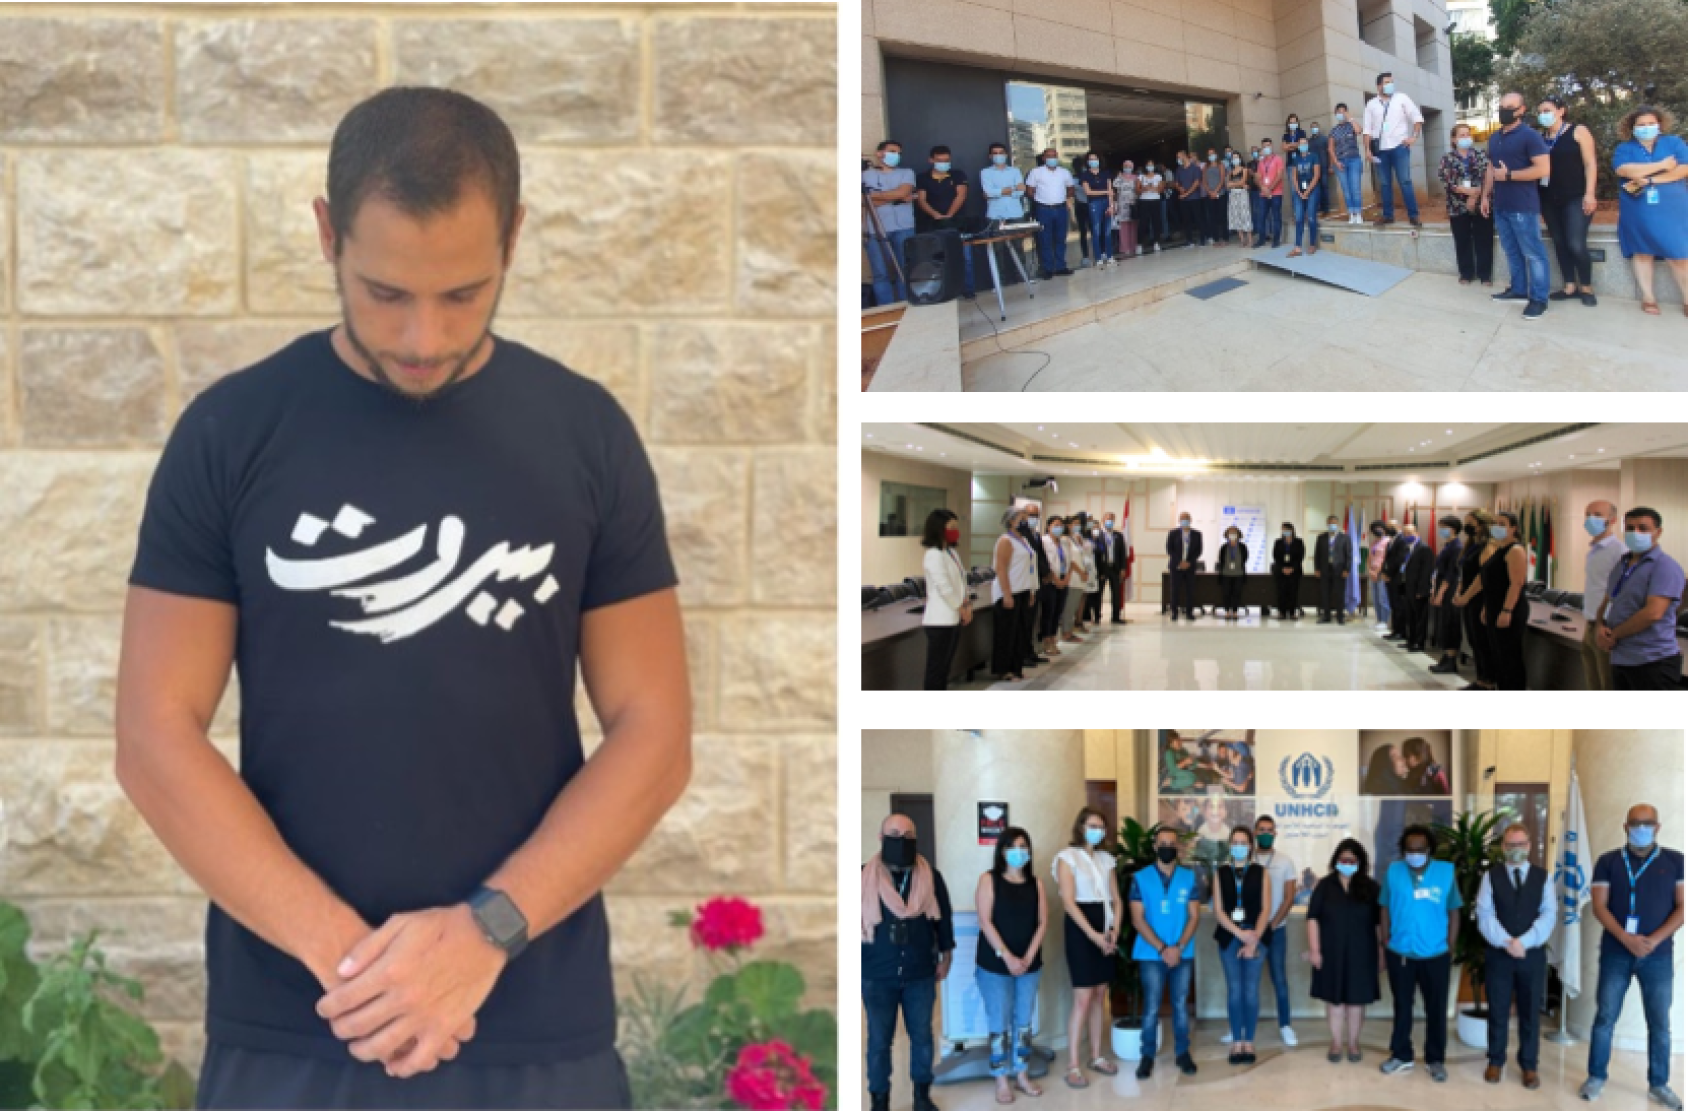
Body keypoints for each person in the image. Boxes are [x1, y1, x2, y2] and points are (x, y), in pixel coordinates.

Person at [123, 86, 686, 1110]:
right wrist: (364, 970)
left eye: (463, 293)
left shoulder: (585, 434)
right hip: (293, 1027)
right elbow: (154, 734)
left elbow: (654, 729)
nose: (423, 336)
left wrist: (484, 934)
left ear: (513, 239)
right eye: (385, 292)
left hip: (534, 1027)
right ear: (327, 233)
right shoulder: (232, 432)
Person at [1581, 804, 1687, 1108]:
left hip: (1658, 955)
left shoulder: (1677, 862)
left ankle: (1659, 1084)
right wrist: (1626, 938)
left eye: (1647, 823)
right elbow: (1600, 906)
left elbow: (1683, 906)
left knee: (1659, 1023)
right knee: (1605, 1018)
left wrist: (1652, 940)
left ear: (1657, 827)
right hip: (1616, 953)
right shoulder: (1608, 861)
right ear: (1625, 827)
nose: (1641, 828)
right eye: (1635, 823)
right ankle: (1596, 1076)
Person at [862, 814, 955, 1111]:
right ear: (880, 837)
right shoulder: (862, 877)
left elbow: (944, 919)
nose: (901, 840)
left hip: (920, 973)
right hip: (877, 974)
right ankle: (879, 1099)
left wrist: (946, 954)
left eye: (907, 834)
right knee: (878, 1043)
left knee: (922, 1039)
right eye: (894, 833)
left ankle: (921, 1097)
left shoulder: (931, 876)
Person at [1378, 826, 1462, 1083]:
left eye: (1420, 849)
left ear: (1429, 850)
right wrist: (1385, 937)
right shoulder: (1394, 871)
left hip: (1435, 953)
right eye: (1409, 849)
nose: (1414, 854)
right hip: (1400, 951)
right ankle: (1401, 1055)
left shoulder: (1445, 872)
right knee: (1402, 1006)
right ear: (1403, 850)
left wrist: (1450, 944)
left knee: (1436, 1009)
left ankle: (1435, 1059)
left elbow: (1455, 911)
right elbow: (1384, 906)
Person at [1476, 822, 1555, 1090]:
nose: (1516, 850)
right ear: (1503, 847)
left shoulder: (1543, 877)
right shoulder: (1491, 877)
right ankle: (1495, 1061)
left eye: (1521, 844)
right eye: (1511, 845)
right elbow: (1484, 915)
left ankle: (1529, 1066)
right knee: (1497, 1009)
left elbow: (1548, 914)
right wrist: (1506, 942)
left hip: (1531, 955)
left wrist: (1525, 942)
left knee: (1530, 1012)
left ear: (1530, 846)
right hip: (1499, 955)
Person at [976, 827, 1047, 1105]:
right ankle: (1001, 1078)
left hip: (1029, 964)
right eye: (1014, 846)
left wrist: (1028, 956)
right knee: (999, 1022)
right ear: (1002, 851)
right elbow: (985, 921)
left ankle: (1022, 1073)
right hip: (994, 966)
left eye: (1024, 846)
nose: (1020, 851)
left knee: (1023, 1022)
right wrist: (1007, 956)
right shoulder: (989, 880)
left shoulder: (1036, 883)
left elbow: (1042, 922)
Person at [1055, 810, 1123, 1091]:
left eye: (1101, 826)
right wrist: (1094, 935)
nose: (1097, 830)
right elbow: (1069, 903)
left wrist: (1114, 930)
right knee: (1082, 998)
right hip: (1082, 930)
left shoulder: (1106, 860)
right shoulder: (1066, 858)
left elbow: (1116, 899)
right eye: (1092, 825)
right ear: (1080, 826)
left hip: (1106, 927)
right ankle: (1072, 1065)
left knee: (1099, 995)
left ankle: (1095, 1056)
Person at [1130, 827, 1201, 1081]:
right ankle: (1146, 1056)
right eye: (1163, 843)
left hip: (1182, 953)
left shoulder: (1189, 877)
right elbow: (1137, 919)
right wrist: (1162, 948)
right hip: (1151, 954)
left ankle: (1183, 1053)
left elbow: (1194, 916)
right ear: (1155, 846)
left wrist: (1178, 947)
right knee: (1151, 1006)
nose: (1167, 847)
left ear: (1178, 848)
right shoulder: (1140, 878)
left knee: (1180, 1005)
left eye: (1172, 843)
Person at [1307, 839, 1383, 1064]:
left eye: (1352, 859)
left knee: (1356, 1002)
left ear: (1360, 862)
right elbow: (1313, 919)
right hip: (1330, 952)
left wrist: (1381, 953)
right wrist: (1314, 950)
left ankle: (1353, 1043)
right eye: (1343, 859)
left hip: (1363, 953)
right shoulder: (1324, 886)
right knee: (1334, 1000)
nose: (1347, 863)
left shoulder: (1370, 887)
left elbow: (1379, 924)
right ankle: (1336, 1042)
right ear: (1335, 860)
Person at [1482, 91, 1554, 321]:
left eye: (1510, 107)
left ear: (1521, 110)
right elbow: (1492, 170)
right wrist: (1485, 196)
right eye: (1502, 106)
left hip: (1523, 206)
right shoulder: (1494, 138)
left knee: (1533, 253)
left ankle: (1539, 299)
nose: (1504, 111)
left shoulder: (1530, 136)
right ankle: (1519, 289)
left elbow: (1543, 169)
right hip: (1501, 205)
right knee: (1512, 252)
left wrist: (1510, 175)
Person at [1596, 508, 1686, 690]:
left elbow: (1653, 613)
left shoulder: (1665, 566)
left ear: (1658, 532)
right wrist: (1599, 625)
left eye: (1643, 528)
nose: (1635, 533)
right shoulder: (1621, 564)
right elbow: (1608, 601)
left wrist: (1614, 635)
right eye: (1630, 528)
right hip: (1621, 657)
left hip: (1652, 661)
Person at [1612, 105, 1688, 317]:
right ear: (1632, 128)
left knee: (1679, 253)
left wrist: (1650, 178)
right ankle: (1648, 297)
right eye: (1641, 125)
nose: (1646, 128)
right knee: (1642, 251)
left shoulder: (1674, 143)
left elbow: (1683, 169)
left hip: (1672, 207)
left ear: (1659, 125)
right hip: (1638, 207)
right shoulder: (1625, 148)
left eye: (1650, 124)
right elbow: (1624, 170)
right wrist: (1663, 164)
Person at [1213, 827, 1270, 1065]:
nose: (1239, 846)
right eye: (1235, 842)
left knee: (1250, 991)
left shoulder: (1261, 872)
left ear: (1250, 846)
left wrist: (1253, 938)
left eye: (1243, 842)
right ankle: (1237, 1040)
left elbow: (1266, 908)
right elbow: (1218, 910)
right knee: (1235, 990)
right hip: (1229, 936)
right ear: (1229, 845)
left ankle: (1249, 1041)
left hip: (1257, 935)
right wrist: (1240, 934)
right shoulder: (1221, 872)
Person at [1537, 98, 1600, 306]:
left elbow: (1590, 163)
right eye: (1540, 111)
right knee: (1560, 243)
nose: (1543, 114)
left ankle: (1586, 286)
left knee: (1575, 243)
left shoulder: (1578, 131)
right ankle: (1569, 285)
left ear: (1561, 111)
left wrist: (1589, 194)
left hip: (1575, 197)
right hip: (1548, 198)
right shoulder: (1541, 138)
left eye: (1547, 110)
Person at [1254, 815, 1300, 1048]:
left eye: (1269, 830)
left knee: (1279, 979)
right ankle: (1241, 1028)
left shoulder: (1285, 861)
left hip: (1276, 931)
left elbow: (1290, 897)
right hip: (1249, 933)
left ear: (1275, 833)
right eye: (1261, 829)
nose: (1265, 833)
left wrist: (1270, 926)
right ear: (1254, 832)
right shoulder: (1243, 858)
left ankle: (1285, 1025)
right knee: (1246, 982)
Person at [1362, 72, 1425, 228]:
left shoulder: (1402, 98)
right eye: (1387, 82)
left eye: (1392, 81)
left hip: (1399, 147)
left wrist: (1414, 136)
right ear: (1379, 86)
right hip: (1380, 150)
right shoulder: (1371, 104)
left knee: (1405, 181)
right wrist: (1367, 150)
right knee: (1384, 184)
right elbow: (1367, 130)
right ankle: (1388, 215)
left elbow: (1417, 118)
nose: (1390, 84)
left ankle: (1413, 215)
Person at [914, 145, 976, 300]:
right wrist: (936, 215)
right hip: (932, 224)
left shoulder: (958, 175)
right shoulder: (922, 178)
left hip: (957, 222)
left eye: (946, 160)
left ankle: (968, 290)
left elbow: (961, 195)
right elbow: (921, 200)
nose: (944, 163)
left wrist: (949, 216)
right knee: (937, 260)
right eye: (939, 160)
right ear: (931, 160)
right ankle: (940, 293)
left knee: (965, 258)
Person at [920, 509, 970, 692]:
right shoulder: (933, 554)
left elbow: (961, 582)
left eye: (956, 527)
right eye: (951, 527)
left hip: (953, 617)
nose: (955, 531)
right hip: (940, 620)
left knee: (945, 668)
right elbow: (944, 587)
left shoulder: (950, 552)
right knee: (936, 668)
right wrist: (960, 607)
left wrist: (967, 604)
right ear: (938, 528)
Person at [863, 139, 917, 306]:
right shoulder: (865, 174)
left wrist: (874, 196)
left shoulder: (907, 173)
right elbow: (864, 200)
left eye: (899, 153)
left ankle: (905, 305)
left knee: (905, 270)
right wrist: (898, 198)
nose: (896, 155)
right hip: (875, 230)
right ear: (880, 154)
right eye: (892, 151)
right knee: (880, 273)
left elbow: (904, 191)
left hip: (904, 228)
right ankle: (886, 309)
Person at [1482, 510, 1530, 691]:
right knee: (1499, 655)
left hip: (1509, 609)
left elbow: (1516, 583)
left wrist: (1507, 610)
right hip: (1495, 606)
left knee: (1509, 656)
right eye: (1495, 523)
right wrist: (1487, 608)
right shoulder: (1499, 549)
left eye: (1502, 524)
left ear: (1514, 528)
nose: (1497, 527)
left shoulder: (1515, 550)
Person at [1441, 124, 1495, 286]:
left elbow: (1489, 175)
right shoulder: (1447, 158)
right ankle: (1466, 273)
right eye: (1461, 135)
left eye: (1467, 135)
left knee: (1484, 239)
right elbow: (1446, 181)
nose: (1466, 138)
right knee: (1462, 240)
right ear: (1454, 139)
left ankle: (1485, 274)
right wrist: (1468, 193)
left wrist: (1478, 194)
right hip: (1457, 206)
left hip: (1482, 203)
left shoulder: (1481, 154)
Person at [1453, 510, 1501, 691]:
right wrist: (1460, 590)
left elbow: (1482, 577)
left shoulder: (1489, 546)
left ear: (1482, 524)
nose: (1467, 527)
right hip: (1468, 599)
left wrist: (1466, 596)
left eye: (1470, 523)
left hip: (1479, 598)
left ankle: (1488, 681)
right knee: (1474, 640)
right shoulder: (1472, 545)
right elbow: (1465, 571)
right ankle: (1481, 679)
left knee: (1482, 640)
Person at [990, 506, 1037, 683]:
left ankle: (1016, 668)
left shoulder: (1024, 540)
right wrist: (1007, 594)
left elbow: (1029, 567)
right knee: (1006, 633)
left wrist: (1031, 590)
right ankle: (1003, 669)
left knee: (1020, 632)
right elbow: (1001, 568)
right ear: (1011, 521)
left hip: (1023, 590)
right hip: (1009, 591)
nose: (1025, 520)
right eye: (1022, 517)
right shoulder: (1005, 540)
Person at [1581, 500, 1624, 692]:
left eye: (1597, 515)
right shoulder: (1594, 551)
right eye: (1588, 514)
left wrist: (1605, 625)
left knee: (1608, 683)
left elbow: (1621, 593)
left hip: (1606, 627)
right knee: (1593, 682)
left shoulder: (1619, 552)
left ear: (1612, 520)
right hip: (1590, 624)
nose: (1591, 519)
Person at [980, 142, 1031, 283]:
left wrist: (1000, 191)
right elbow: (988, 192)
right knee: (997, 250)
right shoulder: (985, 172)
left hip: (1015, 213)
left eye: (1001, 152)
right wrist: (1012, 188)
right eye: (995, 153)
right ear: (990, 156)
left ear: (1006, 154)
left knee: (1019, 247)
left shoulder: (1015, 171)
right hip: (995, 215)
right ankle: (999, 282)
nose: (998, 155)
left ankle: (1022, 277)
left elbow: (1021, 191)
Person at [1025, 148, 1076, 279]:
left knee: (1060, 239)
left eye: (1054, 156)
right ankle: (1047, 269)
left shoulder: (1064, 172)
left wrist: (1065, 198)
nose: (1052, 158)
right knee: (1044, 240)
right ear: (1043, 158)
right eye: (1049, 156)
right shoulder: (1036, 172)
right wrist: (1040, 200)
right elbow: (1029, 190)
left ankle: (1060, 267)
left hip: (1060, 209)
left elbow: (1071, 189)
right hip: (1043, 209)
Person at [1428, 516, 1465, 675]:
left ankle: (1451, 660)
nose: (1441, 530)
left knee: (1451, 623)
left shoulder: (1457, 547)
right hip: (1442, 586)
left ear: (1453, 528)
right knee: (1443, 623)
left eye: (1444, 527)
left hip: (1449, 589)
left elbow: (1452, 573)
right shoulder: (1448, 545)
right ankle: (1446, 656)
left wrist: (1441, 592)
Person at [1020, 510, 1051, 673]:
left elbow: (1040, 556)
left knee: (1033, 620)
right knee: (1026, 621)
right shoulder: (1021, 535)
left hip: (1037, 582)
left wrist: (1046, 572)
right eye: (1029, 515)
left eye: (1036, 515)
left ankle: (1031, 651)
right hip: (1027, 584)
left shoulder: (1036, 535)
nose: (1033, 519)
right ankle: (1024, 653)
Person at [1397, 524, 1433, 653]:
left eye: (1410, 533)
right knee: (1410, 616)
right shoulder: (1408, 549)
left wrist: (1422, 590)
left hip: (1418, 589)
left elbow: (1426, 571)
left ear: (1417, 533)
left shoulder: (1424, 548)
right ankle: (1411, 640)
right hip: (1408, 588)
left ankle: (1419, 642)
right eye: (1405, 533)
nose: (1407, 535)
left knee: (1419, 617)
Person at [1038, 516, 1070, 658]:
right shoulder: (1043, 541)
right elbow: (1046, 562)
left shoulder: (1063, 542)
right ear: (1048, 526)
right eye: (1055, 525)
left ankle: (1053, 638)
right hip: (1050, 581)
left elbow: (1068, 561)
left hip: (1063, 580)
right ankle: (1047, 640)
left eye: (1061, 525)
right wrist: (1055, 578)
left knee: (1058, 611)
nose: (1059, 528)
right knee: (1049, 612)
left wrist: (1066, 579)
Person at [1287, 133, 1322, 258]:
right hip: (1299, 191)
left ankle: (1312, 244)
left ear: (1308, 145)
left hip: (1312, 189)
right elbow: (1294, 177)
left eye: (1305, 143)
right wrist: (1299, 191)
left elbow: (1317, 175)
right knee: (1299, 218)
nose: (1303, 145)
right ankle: (1297, 247)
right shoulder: (1296, 159)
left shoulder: (1314, 156)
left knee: (1311, 217)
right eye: (1301, 144)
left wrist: (1307, 192)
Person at [1079, 151, 1115, 270]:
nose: (1093, 161)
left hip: (1106, 203)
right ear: (1087, 161)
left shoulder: (1106, 173)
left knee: (1108, 231)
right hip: (1094, 203)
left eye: (1095, 159)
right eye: (1091, 159)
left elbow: (1111, 191)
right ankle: (1098, 258)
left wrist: (1111, 205)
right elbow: (1088, 192)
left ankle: (1109, 256)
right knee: (1096, 231)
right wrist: (1105, 192)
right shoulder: (1085, 175)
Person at [1328, 103, 1365, 223]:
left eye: (1343, 111)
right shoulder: (1333, 130)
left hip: (1354, 160)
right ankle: (1351, 214)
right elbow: (1330, 149)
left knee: (1355, 188)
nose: (1341, 114)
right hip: (1340, 162)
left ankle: (1358, 213)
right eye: (1339, 111)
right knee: (1346, 189)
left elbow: (1359, 130)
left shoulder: (1351, 126)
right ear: (1335, 114)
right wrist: (1335, 162)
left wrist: (1351, 118)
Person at [1314, 515, 1352, 624]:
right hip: (1325, 569)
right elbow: (1317, 554)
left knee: (1340, 594)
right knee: (1325, 593)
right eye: (1330, 523)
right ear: (1327, 524)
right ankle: (1326, 616)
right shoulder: (1321, 537)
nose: (1332, 525)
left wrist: (1346, 569)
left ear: (1338, 525)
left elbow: (1348, 555)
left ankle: (1340, 616)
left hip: (1339, 570)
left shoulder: (1345, 538)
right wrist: (1317, 568)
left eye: (1334, 523)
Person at [1167, 512, 1202, 621]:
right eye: (1182, 518)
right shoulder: (1173, 533)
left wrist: (1189, 562)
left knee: (1190, 590)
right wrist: (1179, 562)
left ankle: (1189, 613)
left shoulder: (1197, 534)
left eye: (1186, 518)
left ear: (1190, 520)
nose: (1184, 520)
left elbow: (1198, 550)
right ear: (1179, 520)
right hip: (1176, 567)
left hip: (1190, 567)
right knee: (1175, 590)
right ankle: (1174, 613)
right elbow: (1170, 549)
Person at [1060, 516, 1090, 642]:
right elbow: (1070, 560)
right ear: (1068, 525)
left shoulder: (1076, 540)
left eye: (1079, 524)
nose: (1077, 526)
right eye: (1075, 524)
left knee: (1074, 607)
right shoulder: (1064, 540)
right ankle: (1066, 633)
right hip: (1073, 577)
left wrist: (1085, 572)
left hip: (1080, 578)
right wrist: (1080, 572)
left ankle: (1070, 630)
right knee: (1069, 607)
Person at [1252, 139, 1284, 248]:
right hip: (1263, 194)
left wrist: (1269, 189)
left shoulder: (1278, 159)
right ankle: (1261, 239)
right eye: (1264, 146)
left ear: (1272, 146)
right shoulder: (1261, 162)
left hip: (1276, 193)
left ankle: (1276, 240)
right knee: (1261, 217)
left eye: (1268, 145)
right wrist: (1262, 188)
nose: (1267, 148)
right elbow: (1257, 178)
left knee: (1276, 217)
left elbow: (1279, 176)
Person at [1101, 511, 1131, 625]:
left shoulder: (1118, 535)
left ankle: (1115, 617)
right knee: (1100, 593)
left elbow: (1122, 553)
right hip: (1103, 568)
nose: (1110, 521)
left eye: (1112, 519)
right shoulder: (1098, 535)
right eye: (1108, 519)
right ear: (1103, 520)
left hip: (1115, 568)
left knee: (1116, 593)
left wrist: (1123, 568)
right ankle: (1098, 616)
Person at [1272, 522, 1306, 620]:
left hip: (1294, 571)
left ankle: (1292, 612)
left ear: (1292, 530)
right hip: (1281, 571)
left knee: (1293, 592)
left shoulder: (1298, 542)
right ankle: (1281, 612)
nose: (1285, 531)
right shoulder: (1278, 542)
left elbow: (1300, 556)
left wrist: (1292, 568)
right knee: (1281, 591)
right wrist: (1283, 568)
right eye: (1283, 530)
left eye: (1287, 529)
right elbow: (1275, 556)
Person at [1174, 150, 1205, 247]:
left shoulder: (1195, 168)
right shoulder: (1179, 169)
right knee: (1186, 221)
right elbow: (1176, 183)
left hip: (1194, 198)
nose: (1178, 159)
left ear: (1184, 156)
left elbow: (1196, 183)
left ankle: (1202, 239)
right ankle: (1189, 241)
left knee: (1198, 219)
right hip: (1184, 199)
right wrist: (1179, 188)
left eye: (1179, 157)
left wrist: (1186, 194)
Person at [1217, 525, 1248, 620]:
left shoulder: (1242, 547)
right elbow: (1221, 559)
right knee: (1226, 593)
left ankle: (1235, 612)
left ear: (1238, 535)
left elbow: (1245, 558)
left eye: (1234, 533)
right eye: (1230, 533)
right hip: (1226, 574)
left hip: (1238, 574)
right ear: (1227, 535)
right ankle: (1227, 611)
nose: (1232, 535)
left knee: (1236, 593)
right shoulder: (1224, 547)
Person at [1368, 522, 1393, 631]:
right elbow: (1369, 557)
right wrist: (1370, 570)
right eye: (1375, 529)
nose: (1377, 530)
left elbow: (1384, 558)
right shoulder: (1374, 542)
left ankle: (1385, 620)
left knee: (1383, 598)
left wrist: (1377, 571)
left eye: (1379, 528)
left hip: (1381, 572)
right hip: (1373, 572)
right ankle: (1379, 620)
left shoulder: (1387, 541)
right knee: (1376, 598)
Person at [1112, 161, 1140, 259]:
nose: (1127, 167)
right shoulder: (1119, 178)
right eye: (1125, 166)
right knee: (1123, 227)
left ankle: (1133, 246)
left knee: (1133, 225)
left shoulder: (1136, 177)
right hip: (1122, 204)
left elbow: (1138, 189)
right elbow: (1114, 187)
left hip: (1133, 204)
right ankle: (1124, 247)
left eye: (1129, 166)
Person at [1136, 159, 1164, 254]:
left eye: (1151, 165)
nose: (1150, 167)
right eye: (1148, 165)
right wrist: (1144, 188)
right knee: (1143, 223)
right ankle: (1139, 244)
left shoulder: (1158, 176)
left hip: (1155, 200)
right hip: (1144, 201)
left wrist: (1153, 188)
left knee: (1156, 222)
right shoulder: (1141, 176)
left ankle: (1156, 242)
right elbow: (1137, 190)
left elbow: (1161, 189)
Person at [1226, 151, 1254, 244]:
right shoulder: (1230, 172)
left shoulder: (1244, 169)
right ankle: (1242, 239)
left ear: (1240, 158)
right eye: (1233, 158)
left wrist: (1234, 184)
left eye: (1236, 157)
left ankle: (1250, 239)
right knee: (1236, 215)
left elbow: (1242, 182)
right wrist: (1236, 184)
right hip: (1233, 195)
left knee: (1245, 214)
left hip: (1242, 193)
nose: (1235, 159)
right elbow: (1228, 185)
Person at [1203, 147, 1228, 246]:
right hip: (1210, 195)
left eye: (1212, 153)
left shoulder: (1220, 165)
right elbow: (1204, 181)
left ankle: (1225, 238)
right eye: (1209, 154)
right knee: (1212, 217)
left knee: (1222, 216)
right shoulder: (1206, 166)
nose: (1211, 156)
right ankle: (1216, 239)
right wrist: (1210, 192)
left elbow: (1222, 180)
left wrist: (1216, 191)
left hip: (1220, 194)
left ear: (1216, 154)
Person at [1080, 520, 1103, 627]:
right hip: (1086, 569)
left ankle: (1097, 616)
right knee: (1086, 594)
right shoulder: (1085, 539)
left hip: (1096, 570)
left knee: (1097, 594)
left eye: (1098, 528)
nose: (1096, 530)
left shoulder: (1100, 540)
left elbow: (1101, 554)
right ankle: (1086, 616)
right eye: (1094, 528)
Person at [1307, 119, 1332, 217]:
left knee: (1324, 187)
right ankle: (1318, 207)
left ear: (1318, 128)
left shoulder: (1325, 139)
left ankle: (1326, 208)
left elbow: (1329, 152)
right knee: (1315, 188)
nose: (1314, 129)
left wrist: (1330, 165)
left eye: (1315, 127)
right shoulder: (1309, 142)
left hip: (1324, 167)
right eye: (1312, 127)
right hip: (1313, 170)